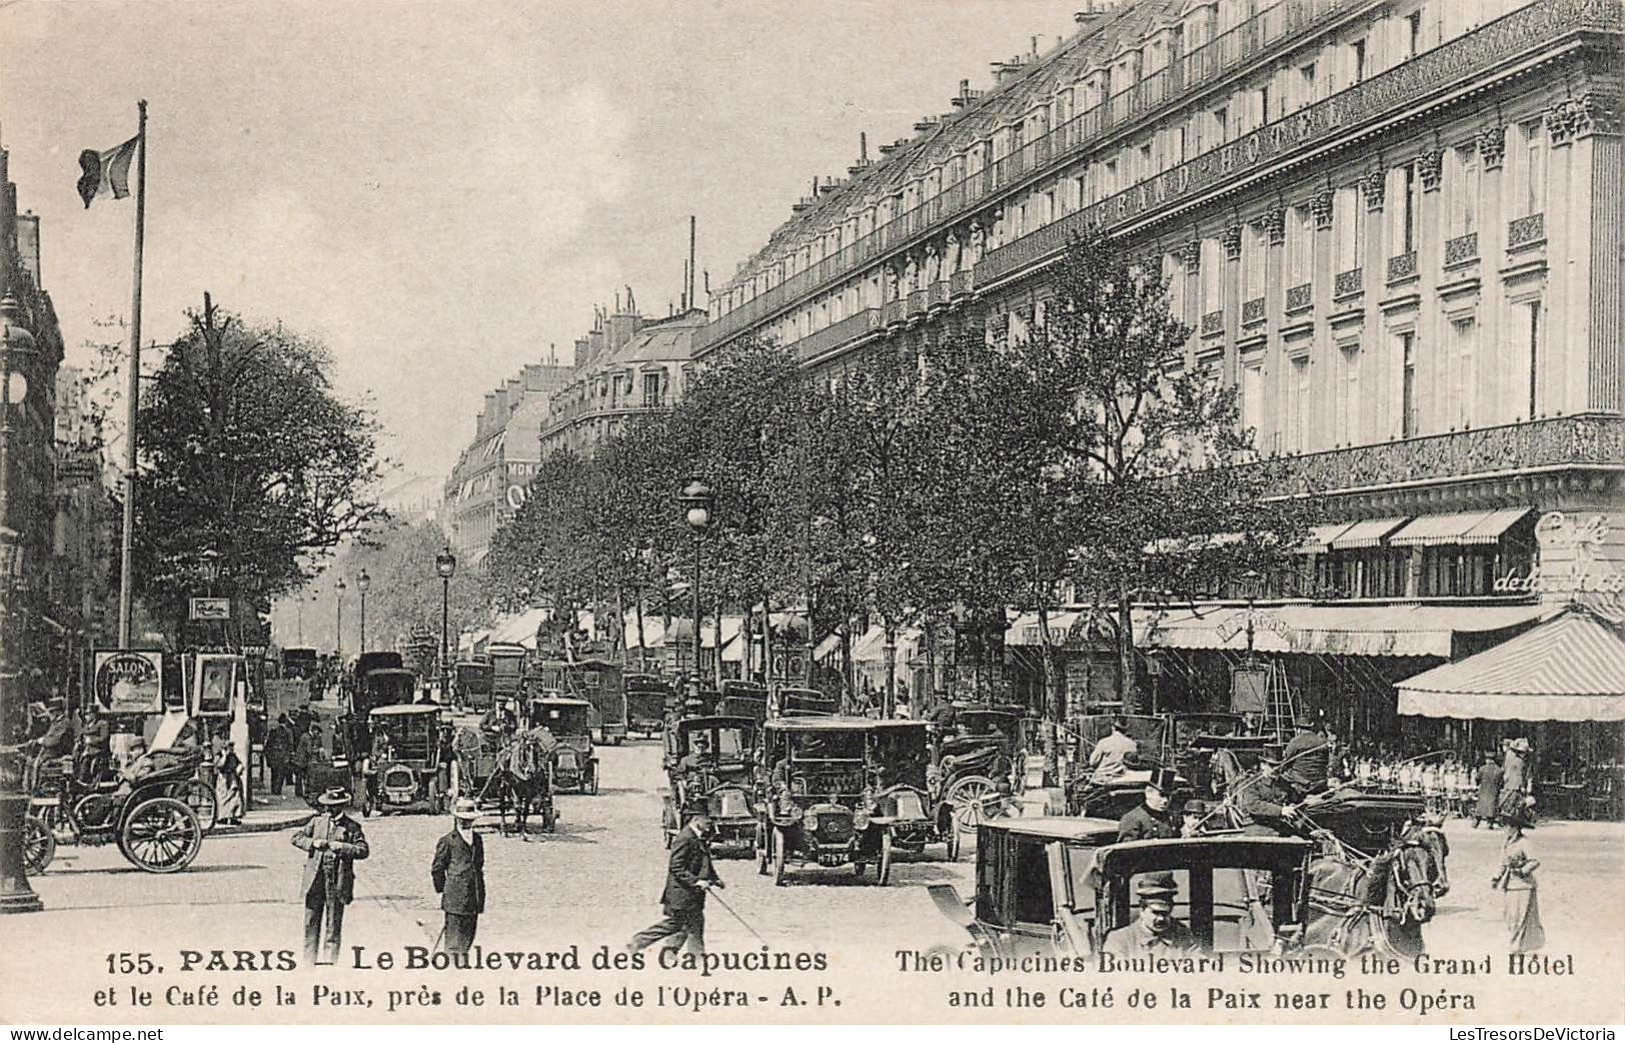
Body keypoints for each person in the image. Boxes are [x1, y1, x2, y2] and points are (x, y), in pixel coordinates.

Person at [291, 787, 370, 965]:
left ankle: (329, 965)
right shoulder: (316, 822)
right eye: (328, 806)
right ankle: (308, 964)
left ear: (342, 806)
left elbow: (363, 850)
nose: (330, 810)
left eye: (334, 806)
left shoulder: (352, 827)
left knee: (333, 926)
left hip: (337, 880)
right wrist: (313, 843)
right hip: (315, 879)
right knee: (310, 922)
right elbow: (296, 837)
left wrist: (342, 847)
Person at [627, 810, 722, 956]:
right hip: (682, 893)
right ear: (696, 820)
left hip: (691, 895)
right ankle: (639, 942)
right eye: (707, 822)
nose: (710, 825)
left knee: (686, 926)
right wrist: (696, 881)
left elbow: (704, 862)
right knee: (682, 926)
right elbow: (676, 867)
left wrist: (715, 879)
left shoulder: (698, 836)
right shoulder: (684, 838)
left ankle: (668, 954)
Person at [431, 798, 486, 956]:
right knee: (454, 942)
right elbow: (437, 869)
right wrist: (445, 889)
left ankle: (463, 964)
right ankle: (452, 971)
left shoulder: (477, 839)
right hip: (454, 897)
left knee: (468, 937)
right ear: (456, 819)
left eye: (469, 820)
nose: (466, 823)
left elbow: (479, 864)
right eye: (462, 820)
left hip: (474, 895)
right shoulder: (447, 841)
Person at [1101, 872, 1200, 956]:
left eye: (1166, 913)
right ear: (1142, 909)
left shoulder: (1184, 936)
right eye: (1155, 912)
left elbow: (1200, 969)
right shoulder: (1119, 939)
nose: (1161, 919)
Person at [1492, 803, 1545, 953]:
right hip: (1510, 884)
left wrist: (1522, 870)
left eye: (1508, 826)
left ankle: (1518, 945)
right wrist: (1496, 877)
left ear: (1515, 828)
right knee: (1510, 915)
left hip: (1524, 885)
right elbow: (1503, 862)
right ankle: (1519, 943)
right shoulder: (1507, 843)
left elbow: (1534, 861)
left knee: (1520, 916)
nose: (1505, 830)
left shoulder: (1524, 843)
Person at [1235, 753, 1298, 837]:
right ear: (1263, 765)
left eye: (1279, 765)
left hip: (1279, 824)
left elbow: (1294, 798)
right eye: (1272, 765)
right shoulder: (1251, 783)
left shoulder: (1283, 783)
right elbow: (1254, 805)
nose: (1276, 769)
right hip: (1256, 825)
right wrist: (1280, 810)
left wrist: (1292, 806)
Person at [1118, 768, 1182, 841]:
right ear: (1148, 793)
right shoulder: (1132, 819)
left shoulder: (1171, 818)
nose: (1165, 800)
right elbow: (1126, 849)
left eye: (1168, 796)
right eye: (1161, 795)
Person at [1279, 714, 1330, 798]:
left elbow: (1285, 761)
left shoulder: (1295, 741)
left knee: (1282, 775)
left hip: (1301, 782)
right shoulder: (1323, 742)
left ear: (1298, 729)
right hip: (1319, 782)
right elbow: (1326, 761)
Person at [1088, 717, 1138, 782]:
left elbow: (1092, 762)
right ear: (1125, 729)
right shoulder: (1132, 744)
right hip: (1123, 778)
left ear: (1113, 728)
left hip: (1103, 778)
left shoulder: (1103, 742)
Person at [1499, 738, 1533, 821]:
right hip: (1516, 786)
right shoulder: (1521, 761)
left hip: (1510, 784)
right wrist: (1526, 786)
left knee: (1512, 806)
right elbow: (1522, 775)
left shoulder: (1509, 756)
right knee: (1516, 808)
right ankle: (1514, 827)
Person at [215, 739, 245, 826]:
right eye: (229, 747)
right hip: (223, 779)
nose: (231, 749)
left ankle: (233, 816)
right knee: (223, 798)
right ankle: (222, 817)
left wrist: (240, 768)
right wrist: (224, 755)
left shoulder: (233, 756)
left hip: (233, 777)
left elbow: (239, 764)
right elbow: (219, 765)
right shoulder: (219, 755)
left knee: (235, 798)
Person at [266, 713, 295, 797]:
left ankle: (273, 788)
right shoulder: (288, 731)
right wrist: (290, 755)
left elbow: (268, 744)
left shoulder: (273, 731)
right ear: (285, 722)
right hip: (283, 756)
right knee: (281, 773)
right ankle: (277, 790)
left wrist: (269, 756)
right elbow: (291, 744)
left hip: (274, 755)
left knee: (274, 773)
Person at [1472, 752, 1504, 828]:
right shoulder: (1499, 770)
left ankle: (1476, 822)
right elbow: (1502, 782)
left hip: (1483, 790)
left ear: (1487, 760)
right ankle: (1490, 823)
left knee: (1480, 807)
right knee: (1492, 806)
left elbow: (1477, 778)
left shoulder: (1482, 769)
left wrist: (1478, 784)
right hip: (1494, 791)